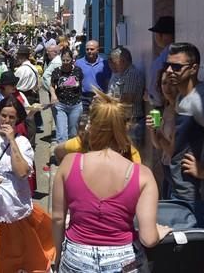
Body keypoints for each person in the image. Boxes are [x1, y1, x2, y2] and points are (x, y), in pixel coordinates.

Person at [51, 90, 170, 272]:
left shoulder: (69, 163)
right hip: (124, 262)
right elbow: (148, 238)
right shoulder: (143, 175)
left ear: (91, 127)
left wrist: (58, 256)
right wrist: (158, 232)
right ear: (126, 127)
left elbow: (58, 218)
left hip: (76, 256)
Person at [0, 95, 55, 272]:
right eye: (3, 115)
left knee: (19, 252)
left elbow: (22, 172)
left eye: (11, 117)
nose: (6, 120)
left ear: (17, 119)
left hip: (14, 209)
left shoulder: (22, 143)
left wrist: (12, 140)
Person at [164, 43, 204, 272]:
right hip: (184, 192)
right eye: (168, 65)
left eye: (176, 67)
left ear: (194, 68)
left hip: (202, 196)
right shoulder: (182, 96)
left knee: (203, 257)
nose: (170, 71)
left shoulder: (201, 99)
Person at [145, 70, 177, 198]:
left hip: (177, 172)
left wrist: (158, 135)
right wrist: (152, 130)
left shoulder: (181, 112)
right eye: (164, 83)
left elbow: (171, 151)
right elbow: (158, 146)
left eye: (172, 83)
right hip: (166, 168)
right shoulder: (167, 108)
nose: (167, 87)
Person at [107, 46, 146, 149]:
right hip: (121, 121)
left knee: (131, 152)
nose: (113, 67)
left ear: (122, 61)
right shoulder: (119, 74)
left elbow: (127, 99)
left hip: (132, 122)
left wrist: (107, 101)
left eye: (115, 63)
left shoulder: (132, 74)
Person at [49, 48, 83, 145]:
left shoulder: (77, 71)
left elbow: (82, 85)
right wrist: (53, 95)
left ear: (72, 60)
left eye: (67, 60)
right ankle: (62, 157)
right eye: (63, 60)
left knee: (73, 134)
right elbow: (51, 86)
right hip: (61, 105)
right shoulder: (57, 71)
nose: (65, 62)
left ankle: (71, 155)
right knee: (61, 134)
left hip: (75, 105)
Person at [75, 40, 112, 112]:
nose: (89, 51)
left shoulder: (104, 63)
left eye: (92, 49)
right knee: (84, 121)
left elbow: (108, 81)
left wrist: (106, 96)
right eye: (87, 49)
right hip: (83, 99)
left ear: (97, 50)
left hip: (99, 98)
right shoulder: (78, 63)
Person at [147, 16, 174, 110]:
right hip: (160, 103)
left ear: (162, 35)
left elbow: (156, 80)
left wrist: (151, 97)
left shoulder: (170, 54)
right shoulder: (166, 53)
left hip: (163, 105)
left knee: (158, 124)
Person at [15, 46, 40, 147]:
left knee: (24, 119)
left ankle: (25, 140)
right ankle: (31, 141)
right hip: (32, 94)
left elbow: (15, 84)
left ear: (21, 56)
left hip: (22, 94)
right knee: (30, 118)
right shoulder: (34, 68)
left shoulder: (21, 70)